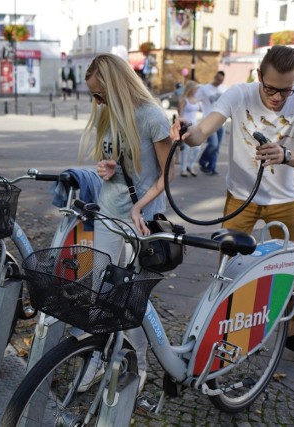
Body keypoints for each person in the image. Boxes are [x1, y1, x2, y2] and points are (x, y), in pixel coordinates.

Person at [171, 45, 294, 364]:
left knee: (292, 273)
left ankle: (292, 333)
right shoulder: (239, 94)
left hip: (284, 200)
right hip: (241, 197)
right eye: (271, 88)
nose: (278, 97)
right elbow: (203, 131)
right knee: (227, 270)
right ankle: (222, 333)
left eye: (286, 89)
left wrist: (286, 154)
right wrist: (186, 133)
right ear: (258, 76)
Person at [77, 53, 174, 391]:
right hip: (107, 213)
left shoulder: (152, 118)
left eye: (99, 94)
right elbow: (113, 163)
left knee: (129, 297)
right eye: (94, 95)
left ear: (115, 87)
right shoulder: (109, 116)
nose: (96, 101)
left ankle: (138, 363)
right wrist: (107, 168)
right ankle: (96, 357)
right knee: (95, 291)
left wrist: (140, 207)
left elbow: (167, 175)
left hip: (139, 222)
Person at [196, 71, 226, 176]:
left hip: (221, 121)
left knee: (217, 147)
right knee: (213, 144)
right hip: (209, 121)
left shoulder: (223, 88)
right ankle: (202, 161)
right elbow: (195, 99)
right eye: (218, 79)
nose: (219, 82)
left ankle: (211, 168)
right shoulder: (205, 89)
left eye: (221, 81)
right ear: (214, 77)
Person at [177, 80, 201, 177]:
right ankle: (183, 169)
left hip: (195, 126)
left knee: (197, 148)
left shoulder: (196, 99)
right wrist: (181, 126)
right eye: (194, 88)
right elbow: (180, 114)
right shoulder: (184, 100)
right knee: (186, 148)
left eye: (196, 88)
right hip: (186, 125)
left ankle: (190, 165)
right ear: (190, 89)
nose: (196, 90)